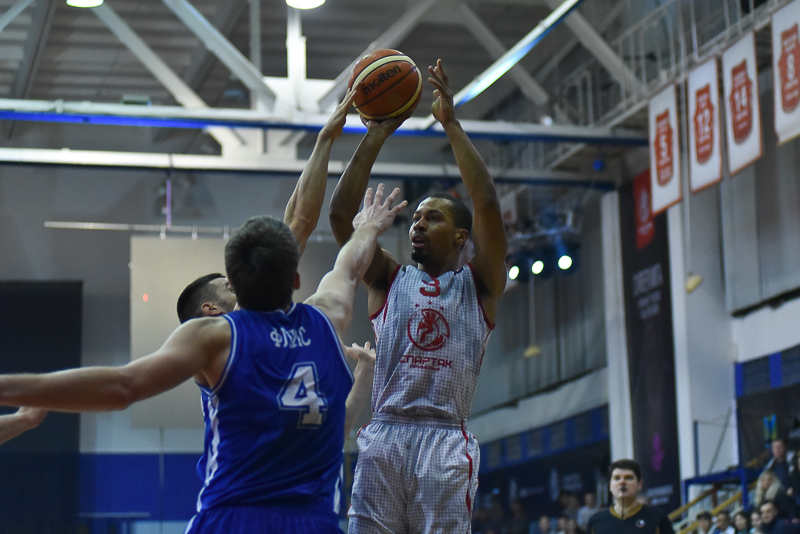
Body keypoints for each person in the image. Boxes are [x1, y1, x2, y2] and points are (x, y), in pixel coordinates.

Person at [0, 184, 407, 533]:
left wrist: (6, 387)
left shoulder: (216, 337)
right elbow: (350, 264)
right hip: (312, 521)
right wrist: (369, 227)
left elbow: (122, 387)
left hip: (233, 517)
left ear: (234, 284)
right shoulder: (328, 317)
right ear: (296, 280)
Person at [329, 59, 507, 533]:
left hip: (445, 440)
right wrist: (376, 134)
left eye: (433, 218)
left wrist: (451, 124)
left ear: (461, 236)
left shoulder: (481, 284)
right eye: (415, 219)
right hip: (385, 433)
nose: (418, 225)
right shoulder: (389, 278)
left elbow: (487, 202)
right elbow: (341, 218)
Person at [175, 86, 374, 437]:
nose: (240, 281)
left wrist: (365, 375)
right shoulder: (229, 339)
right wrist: (325, 140)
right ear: (211, 310)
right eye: (229, 285)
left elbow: (335, 430)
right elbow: (299, 225)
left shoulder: (289, 342)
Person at [585, 459, 675, 534]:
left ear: (639, 484)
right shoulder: (595, 522)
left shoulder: (657, 518)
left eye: (628, 478)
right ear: (610, 485)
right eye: (617, 478)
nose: (622, 482)